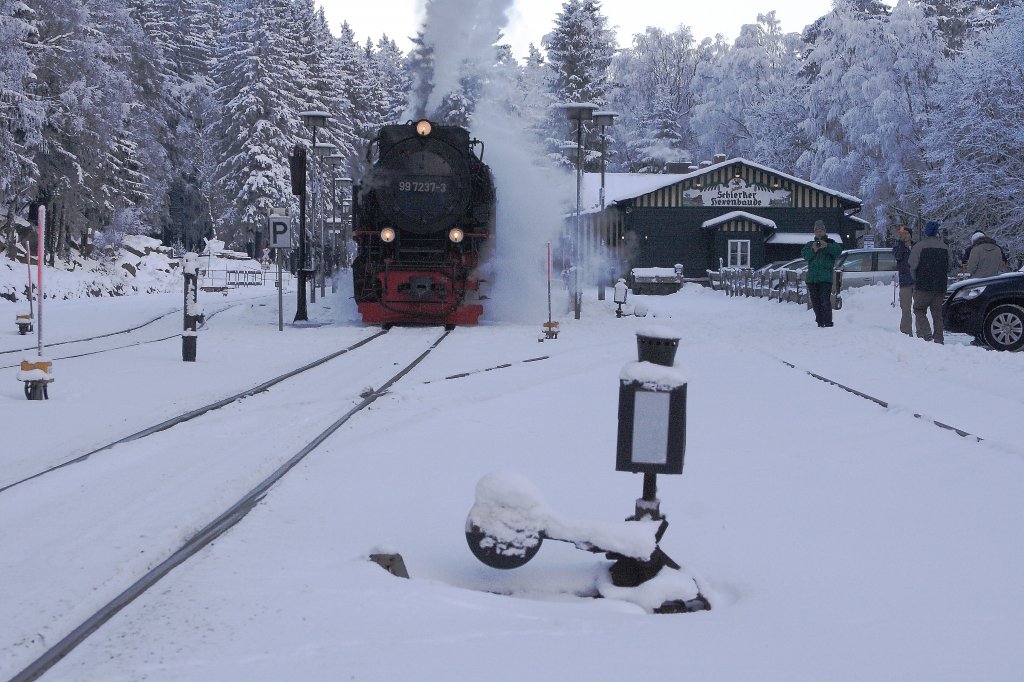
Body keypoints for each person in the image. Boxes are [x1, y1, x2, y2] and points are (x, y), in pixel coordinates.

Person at [908, 221, 949, 344]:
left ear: (925, 232)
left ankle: (927, 334)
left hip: (923, 285)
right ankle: (939, 338)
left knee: (919, 309)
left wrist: (915, 280)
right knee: (937, 313)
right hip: (940, 286)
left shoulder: (919, 246)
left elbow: (912, 265)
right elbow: (949, 266)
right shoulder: (945, 247)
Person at [801, 220, 842, 327]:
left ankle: (828, 322)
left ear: (824, 231)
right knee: (815, 302)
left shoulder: (831, 243)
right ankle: (819, 322)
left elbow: (838, 252)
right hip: (812, 279)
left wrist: (826, 246)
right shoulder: (810, 245)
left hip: (825, 278)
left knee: (825, 301)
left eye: (821, 231)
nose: (819, 233)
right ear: (814, 232)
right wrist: (814, 249)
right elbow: (805, 256)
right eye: (817, 231)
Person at [892, 226, 914, 336]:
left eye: (907, 233)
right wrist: (900, 243)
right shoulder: (898, 247)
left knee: (919, 308)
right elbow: (898, 256)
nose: (905, 235)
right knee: (905, 308)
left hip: (917, 280)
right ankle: (906, 332)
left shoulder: (916, 247)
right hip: (905, 280)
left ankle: (922, 332)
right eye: (903, 233)